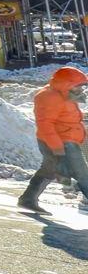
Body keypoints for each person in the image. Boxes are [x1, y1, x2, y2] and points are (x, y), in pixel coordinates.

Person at [19, 65, 88, 212]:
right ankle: (28, 199)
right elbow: (45, 125)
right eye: (78, 86)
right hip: (61, 142)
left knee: (49, 170)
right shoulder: (49, 97)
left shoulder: (64, 94)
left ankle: (27, 199)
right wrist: (57, 148)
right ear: (67, 84)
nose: (81, 90)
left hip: (66, 139)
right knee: (82, 174)